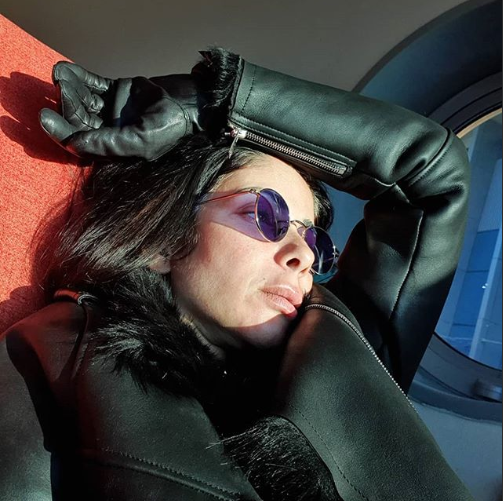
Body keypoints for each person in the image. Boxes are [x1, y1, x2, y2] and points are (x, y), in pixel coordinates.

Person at [0, 48, 476, 500]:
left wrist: (212, 105)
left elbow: (433, 177)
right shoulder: (55, 359)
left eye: (315, 241)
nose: (303, 256)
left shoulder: (343, 355)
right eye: (267, 215)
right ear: (161, 241)